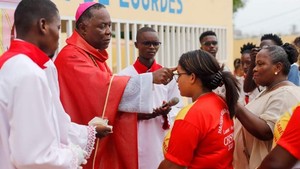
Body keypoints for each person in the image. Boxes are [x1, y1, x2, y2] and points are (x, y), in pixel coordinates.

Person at [54, 2, 174, 169]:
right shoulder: (71, 56)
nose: (109, 32)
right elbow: (104, 89)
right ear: (82, 28)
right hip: (79, 142)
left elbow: (110, 89)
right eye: (102, 26)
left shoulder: (94, 56)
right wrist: (149, 79)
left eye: (110, 26)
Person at [0, 0, 112, 169]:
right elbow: (34, 156)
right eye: (59, 27)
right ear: (43, 25)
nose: (60, 36)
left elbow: (55, 125)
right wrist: (74, 155)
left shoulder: (12, 63)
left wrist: (89, 132)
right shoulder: (30, 73)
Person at [158, 49, 240, 169]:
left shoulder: (191, 114)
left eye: (179, 75)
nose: (177, 81)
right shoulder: (220, 101)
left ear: (192, 77)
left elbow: (172, 166)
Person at [118, 26, 183, 169]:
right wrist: (139, 115)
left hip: (160, 134)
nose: (152, 47)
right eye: (146, 43)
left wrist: (167, 111)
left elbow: (178, 107)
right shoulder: (124, 76)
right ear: (136, 45)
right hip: (135, 136)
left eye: (155, 43)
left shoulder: (167, 75)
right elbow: (117, 109)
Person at [233, 45, 300, 169]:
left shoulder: (285, 95)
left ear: (277, 67)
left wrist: (235, 105)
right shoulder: (269, 90)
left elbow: (266, 131)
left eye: (260, 64)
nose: (254, 69)